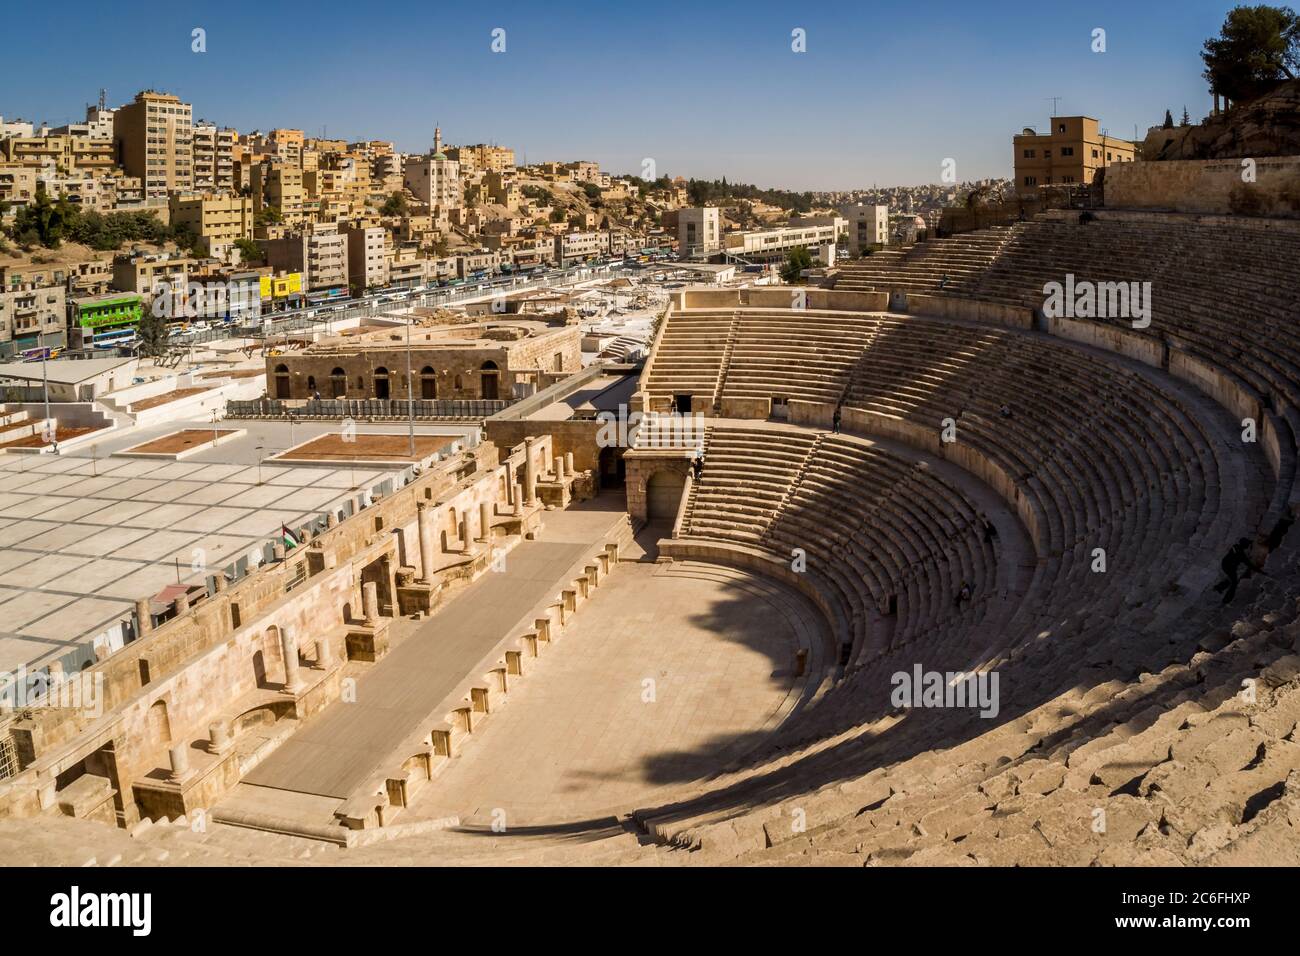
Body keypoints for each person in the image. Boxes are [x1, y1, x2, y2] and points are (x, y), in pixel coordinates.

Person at [1213, 537, 1267, 605]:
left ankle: (1219, 587)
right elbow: (1250, 565)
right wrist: (1261, 572)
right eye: (1247, 544)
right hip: (1229, 567)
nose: (1248, 545)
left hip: (1226, 564)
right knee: (1234, 583)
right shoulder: (1241, 555)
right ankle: (1226, 600)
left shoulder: (1236, 546)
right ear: (1244, 545)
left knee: (1232, 578)